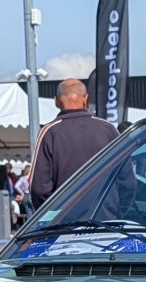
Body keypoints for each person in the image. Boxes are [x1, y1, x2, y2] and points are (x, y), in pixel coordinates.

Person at [30, 78, 119, 208]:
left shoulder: (49, 132)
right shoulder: (108, 129)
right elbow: (126, 180)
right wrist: (116, 211)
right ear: (86, 98)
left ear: (56, 101)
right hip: (106, 218)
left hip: (64, 221)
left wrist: (51, 216)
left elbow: (39, 188)